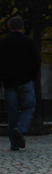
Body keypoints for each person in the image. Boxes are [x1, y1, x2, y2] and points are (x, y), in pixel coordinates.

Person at [0, 16, 41, 151]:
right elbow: (35, 62)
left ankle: (14, 143)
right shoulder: (29, 42)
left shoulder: (3, 43)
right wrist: (32, 78)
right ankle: (20, 129)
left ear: (9, 27)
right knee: (28, 107)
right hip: (25, 81)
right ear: (22, 27)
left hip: (9, 82)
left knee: (12, 112)